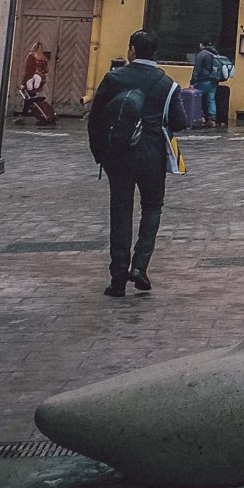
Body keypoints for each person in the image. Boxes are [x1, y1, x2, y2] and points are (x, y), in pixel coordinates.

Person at [87, 30, 192, 297]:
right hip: (152, 155)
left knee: (120, 212)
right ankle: (141, 266)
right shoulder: (167, 84)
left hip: (119, 154)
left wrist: (100, 153)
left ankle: (118, 278)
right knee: (152, 208)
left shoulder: (113, 78)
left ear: (132, 50)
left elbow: (95, 119)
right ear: (154, 53)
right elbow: (179, 122)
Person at [190, 39, 227, 125]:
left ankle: (199, 117)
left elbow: (197, 70)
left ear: (201, 45)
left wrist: (192, 82)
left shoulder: (202, 54)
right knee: (211, 99)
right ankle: (212, 118)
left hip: (203, 80)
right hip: (214, 80)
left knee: (197, 99)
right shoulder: (215, 53)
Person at [18, 42, 56, 125]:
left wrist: (23, 83)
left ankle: (40, 116)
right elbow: (46, 70)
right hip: (40, 81)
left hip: (30, 81)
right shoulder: (43, 58)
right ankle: (23, 116)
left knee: (30, 99)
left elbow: (28, 71)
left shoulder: (31, 57)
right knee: (30, 99)